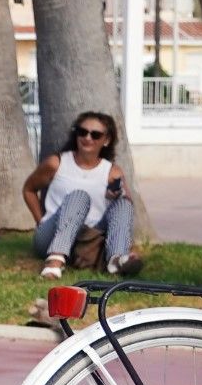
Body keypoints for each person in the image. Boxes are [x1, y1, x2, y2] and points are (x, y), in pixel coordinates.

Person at [22, 110, 144, 279]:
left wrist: (115, 195)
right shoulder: (57, 163)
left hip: (88, 237)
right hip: (53, 233)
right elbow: (29, 189)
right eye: (82, 132)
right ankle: (55, 260)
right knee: (79, 196)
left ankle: (117, 259)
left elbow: (124, 211)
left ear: (106, 140)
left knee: (123, 202)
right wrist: (41, 220)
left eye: (95, 135)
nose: (87, 138)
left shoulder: (112, 171)